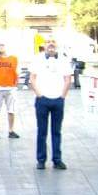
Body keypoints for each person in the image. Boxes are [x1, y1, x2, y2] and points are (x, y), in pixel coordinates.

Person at [29, 39, 72, 170]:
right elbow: (32, 78)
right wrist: (39, 94)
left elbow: (68, 78)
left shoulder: (63, 60)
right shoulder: (38, 59)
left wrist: (62, 96)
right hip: (42, 99)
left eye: (53, 42)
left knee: (56, 131)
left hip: (58, 99)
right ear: (45, 45)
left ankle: (57, 159)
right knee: (41, 131)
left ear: (57, 45)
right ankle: (41, 159)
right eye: (48, 42)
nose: (51, 44)